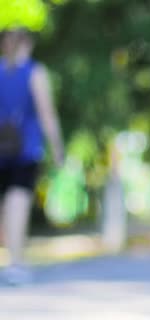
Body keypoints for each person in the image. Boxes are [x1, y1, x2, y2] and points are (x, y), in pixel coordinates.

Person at [0, 29, 64, 285]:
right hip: (25, 148)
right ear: (27, 44)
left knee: (5, 206)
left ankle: (10, 260)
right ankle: (16, 263)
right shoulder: (35, 72)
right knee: (17, 203)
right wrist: (57, 147)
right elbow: (47, 113)